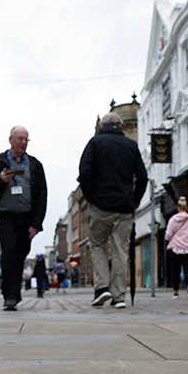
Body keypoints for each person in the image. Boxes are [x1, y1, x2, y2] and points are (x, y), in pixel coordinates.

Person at [77, 112, 148, 309]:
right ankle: (119, 296)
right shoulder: (131, 146)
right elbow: (142, 177)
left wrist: (92, 197)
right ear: (121, 126)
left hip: (101, 205)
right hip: (124, 207)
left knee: (97, 244)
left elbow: (84, 173)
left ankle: (101, 289)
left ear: (102, 125)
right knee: (120, 250)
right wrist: (134, 201)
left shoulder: (95, 143)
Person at [0, 125, 48, 311]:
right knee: (9, 251)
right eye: (19, 139)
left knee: (20, 254)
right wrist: (0, 180)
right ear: (10, 140)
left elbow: (42, 196)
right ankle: (10, 296)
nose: (23, 143)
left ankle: (13, 294)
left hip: (26, 218)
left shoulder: (35, 165)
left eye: (26, 139)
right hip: (5, 216)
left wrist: (36, 224)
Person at [164, 196, 188, 300]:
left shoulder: (172, 220)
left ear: (178, 208)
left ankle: (175, 293)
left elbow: (168, 236)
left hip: (174, 248)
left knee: (175, 270)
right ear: (186, 208)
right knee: (187, 269)